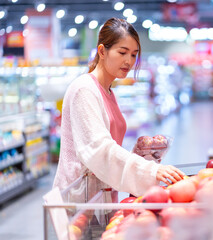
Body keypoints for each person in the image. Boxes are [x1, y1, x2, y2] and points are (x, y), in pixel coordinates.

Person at [53, 18, 185, 200]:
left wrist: (139, 154)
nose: (129, 61)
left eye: (133, 54)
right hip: (78, 199)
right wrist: (149, 170)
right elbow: (99, 149)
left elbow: (106, 148)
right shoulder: (84, 89)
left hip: (99, 196)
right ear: (102, 51)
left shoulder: (108, 91)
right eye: (122, 52)